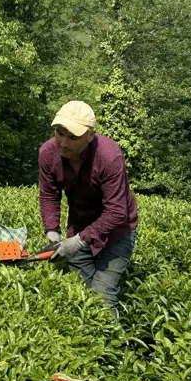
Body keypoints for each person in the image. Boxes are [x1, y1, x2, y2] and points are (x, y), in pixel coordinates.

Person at [38, 100, 139, 313]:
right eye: (59, 133)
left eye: (73, 137)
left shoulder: (109, 156)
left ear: (90, 135)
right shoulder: (48, 153)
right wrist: (52, 233)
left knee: (102, 295)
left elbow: (117, 212)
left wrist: (78, 242)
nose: (63, 143)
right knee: (82, 293)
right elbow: (49, 194)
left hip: (117, 231)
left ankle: (111, 344)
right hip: (79, 225)